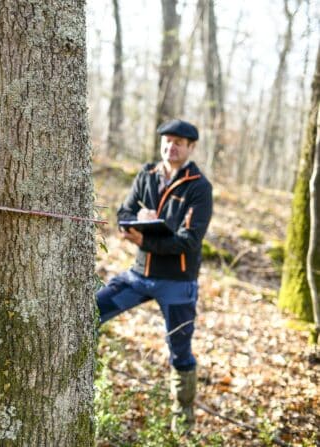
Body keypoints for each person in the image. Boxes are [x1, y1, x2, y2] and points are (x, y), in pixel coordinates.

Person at [96, 119, 212, 433]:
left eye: (178, 142)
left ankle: (182, 422)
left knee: (180, 351)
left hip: (178, 283)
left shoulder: (199, 187)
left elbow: (189, 240)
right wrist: (133, 221)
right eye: (167, 141)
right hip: (139, 276)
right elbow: (124, 212)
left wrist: (145, 239)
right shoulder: (147, 174)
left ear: (190, 147)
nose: (171, 147)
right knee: (90, 312)